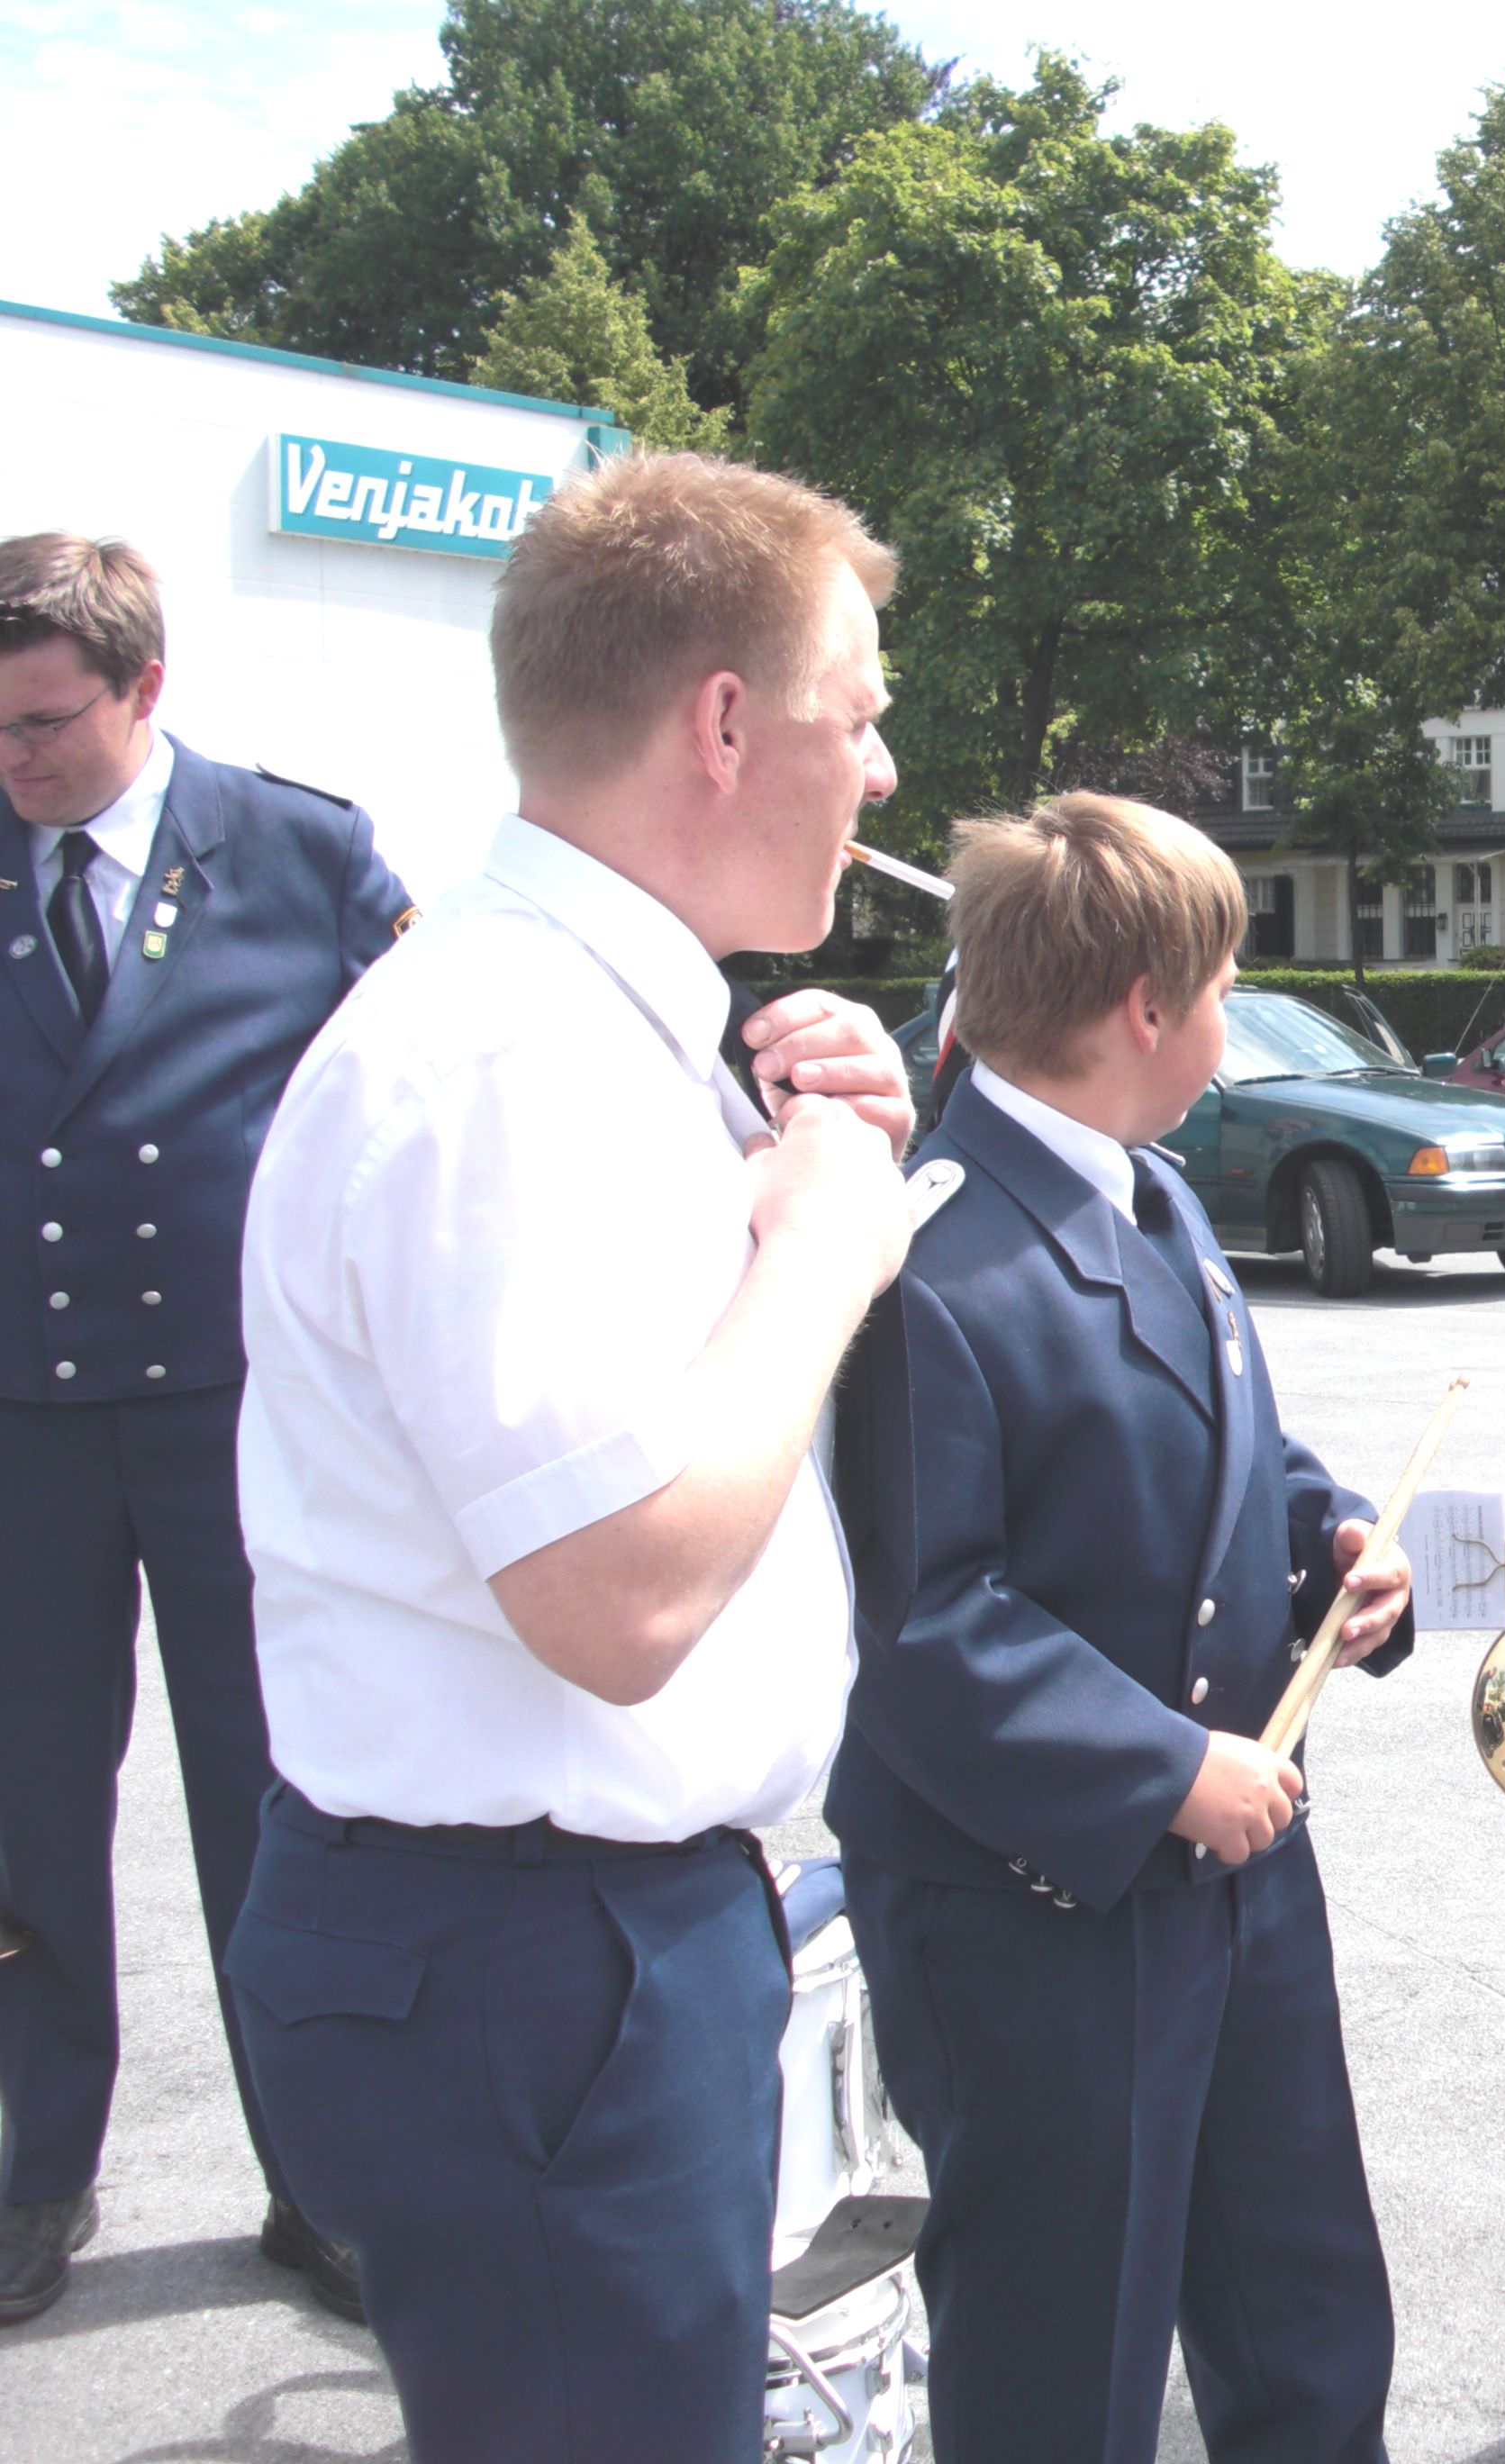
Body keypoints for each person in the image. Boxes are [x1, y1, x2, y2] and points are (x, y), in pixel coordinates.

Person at [226, 451, 917, 2462]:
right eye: (859, 713)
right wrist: (824, 1247)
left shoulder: (583, 1025)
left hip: (570, 1941)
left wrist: (811, 1153)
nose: (882, 772)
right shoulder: (510, 1056)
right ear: (726, 725)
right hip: (534, 1962)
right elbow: (619, 1595)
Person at [825, 792, 1414, 2464]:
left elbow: (1227, 1448)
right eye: (1224, 984)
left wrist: (1328, 1537)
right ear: (1146, 1009)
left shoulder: (1148, 1191)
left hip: (1235, 1865)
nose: (1232, 1015)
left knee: (1303, 2307)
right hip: (1037, 1913)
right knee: (1061, 2355)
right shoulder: (928, 1261)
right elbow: (924, 1624)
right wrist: (1163, 1771)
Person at [0, 533, 413, 2325]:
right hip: (21, 1424)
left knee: (278, 1802)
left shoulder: (297, 852)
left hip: (245, 1421)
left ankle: (320, 2184)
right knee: (22, 1810)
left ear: (145, 688)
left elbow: (423, 1089)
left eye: (43, 724)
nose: (14, 759)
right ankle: (30, 2168)